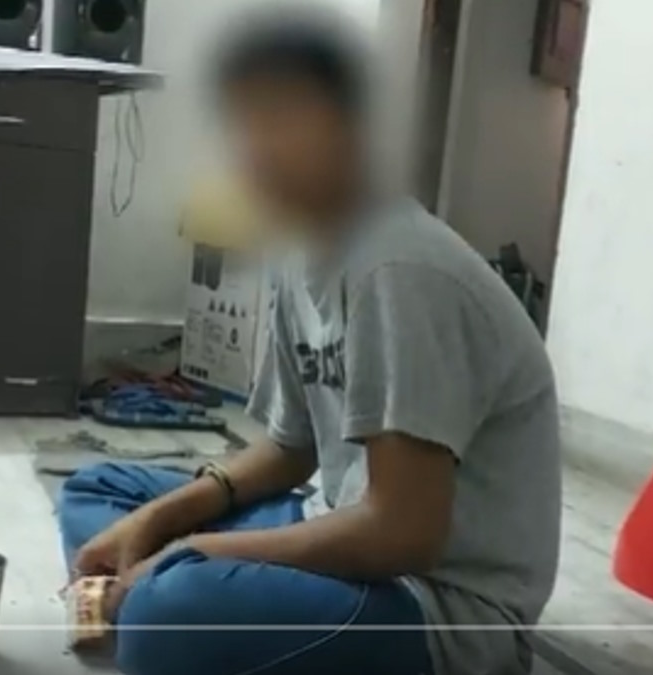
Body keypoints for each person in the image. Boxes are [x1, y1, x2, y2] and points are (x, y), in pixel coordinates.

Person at [57, 10, 562, 675]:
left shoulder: (398, 267)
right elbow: (291, 449)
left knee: (169, 608)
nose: (255, 147)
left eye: (282, 118)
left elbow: (404, 533)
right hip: (337, 524)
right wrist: (159, 521)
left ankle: (163, 615)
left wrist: (197, 551)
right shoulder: (303, 253)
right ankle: (175, 610)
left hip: (436, 605)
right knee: (100, 492)